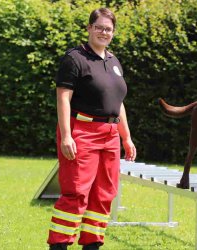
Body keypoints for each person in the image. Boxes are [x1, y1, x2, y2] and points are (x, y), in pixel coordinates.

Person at [47, 7, 136, 250]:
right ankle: (59, 245)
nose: (103, 32)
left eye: (108, 29)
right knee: (77, 192)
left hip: (110, 136)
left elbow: (118, 103)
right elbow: (63, 98)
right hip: (81, 132)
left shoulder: (114, 61)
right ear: (89, 28)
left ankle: (92, 245)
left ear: (113, 33)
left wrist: (126, 138)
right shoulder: (74, 59)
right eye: (98, 27)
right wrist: (66, 135)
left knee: (104, 193)